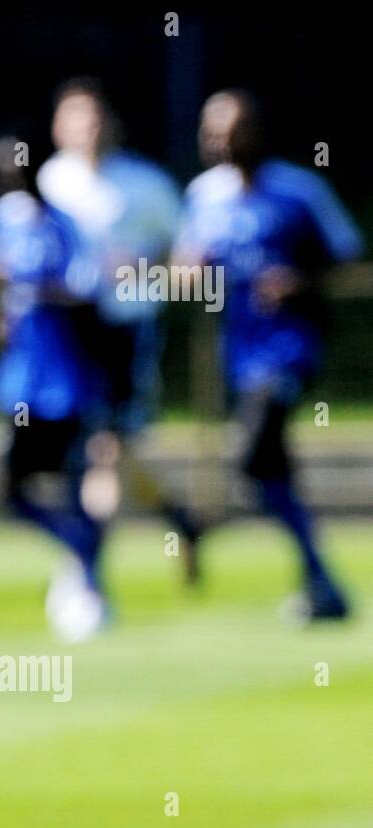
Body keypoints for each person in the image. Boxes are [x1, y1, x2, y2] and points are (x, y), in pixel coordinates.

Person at [176, 90, 362, 621]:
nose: (222, 141)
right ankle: (323, 584)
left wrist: (299, 283)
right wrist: (190, 273)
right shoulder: (204, 196)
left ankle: (198, 522)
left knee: (252, 452)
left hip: (291, 348)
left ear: (257, 130)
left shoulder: (299, 191)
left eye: (233, 129)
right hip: (238, 351)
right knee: (269, 473)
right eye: (212, 131)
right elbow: (186, 267)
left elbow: (344, 258)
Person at [38, 78, 202, 580]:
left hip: (125, 330)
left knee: (104, 448)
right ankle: (177, 517)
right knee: (101, 449)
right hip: (66, 336)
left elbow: (187, 256)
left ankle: (86, 570)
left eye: (94, 117)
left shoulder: (144, 184)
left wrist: (144, 268)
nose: (87, 128)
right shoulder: (49, 181)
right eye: (75, 117)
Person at [0, 134, 109, 641]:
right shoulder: (5, 219)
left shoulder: (64, 225)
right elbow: (4, 288)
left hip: (64, 376)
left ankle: (88, 587)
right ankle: (81, 545)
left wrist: (36, 290)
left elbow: (85, 288)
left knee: (71, 481)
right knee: (8, 488)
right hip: (18, 378)